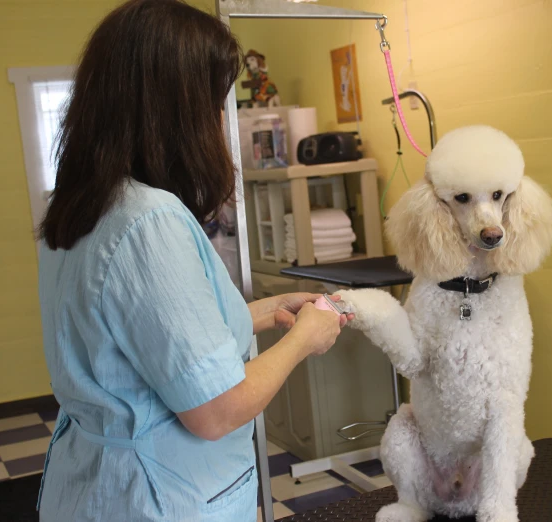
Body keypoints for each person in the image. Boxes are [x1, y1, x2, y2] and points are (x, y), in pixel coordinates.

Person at [35, 1, 352, 520]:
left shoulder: (78, 205)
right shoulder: (148, 219)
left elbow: (144, 339)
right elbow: (215, 410)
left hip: (93, 484)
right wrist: (302, 340)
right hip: (159, 496)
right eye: (213, 102)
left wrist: (267, 309)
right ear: (176, 107)